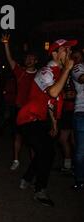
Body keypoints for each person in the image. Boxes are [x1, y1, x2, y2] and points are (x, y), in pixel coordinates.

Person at [17, 39, 77, 206]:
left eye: (71, 50)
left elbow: (51, 102)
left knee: (47, 152)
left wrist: (55, 124)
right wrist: (67, 70)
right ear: (55, 53)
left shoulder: (59, 72)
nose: (70, 53)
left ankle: (27, 178)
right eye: (66, 50)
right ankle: (40, 190)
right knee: (46, 152)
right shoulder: (46, 71)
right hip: (28, 118)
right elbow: (53, 92)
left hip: (42, 119)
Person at [1, 34, 38, 170]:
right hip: (20, 109)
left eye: (31, 58)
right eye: (27, 58)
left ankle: (35, 163)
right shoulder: (20, 72)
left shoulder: (40, 74)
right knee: (18, 135)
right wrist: (6, 44)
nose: (28, 60)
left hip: (33, 111)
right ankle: (16, 159)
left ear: (36, 61)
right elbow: (10, 59)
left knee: (33, 139)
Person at [71, 48, 84, 191]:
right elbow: (81, 78)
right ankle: (80, 180)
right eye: (73, 57)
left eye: (78, 56)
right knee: (81, 151)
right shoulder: (77, 68)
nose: (76, 59)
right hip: (82, 111)